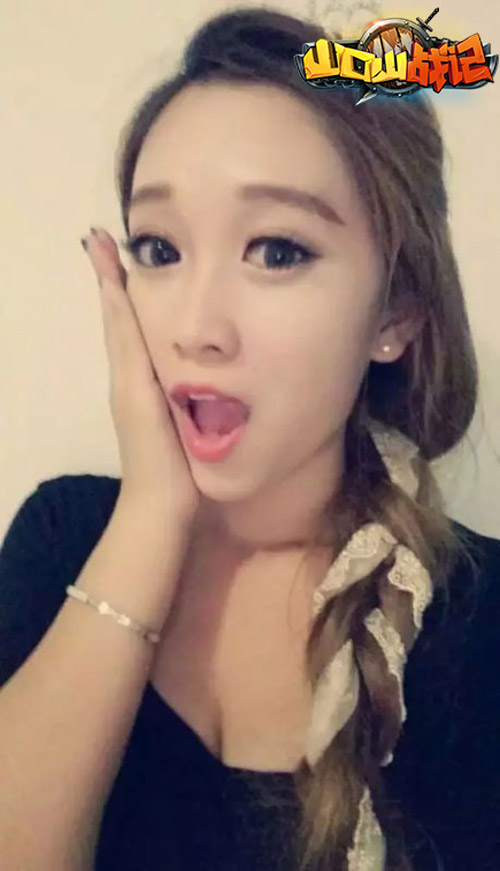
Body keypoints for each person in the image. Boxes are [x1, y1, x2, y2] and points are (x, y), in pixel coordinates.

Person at [0, 7, 499, 871]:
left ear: (395, 312)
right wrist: (151, 513)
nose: (196, 327)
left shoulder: (480, 622)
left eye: (276, 250)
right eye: (159, 248)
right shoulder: (67, 539)